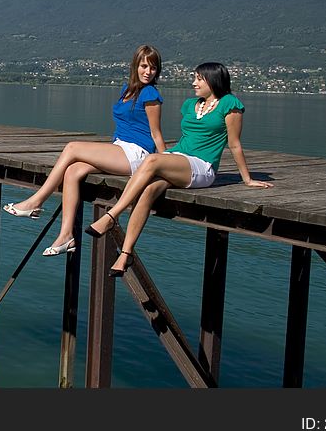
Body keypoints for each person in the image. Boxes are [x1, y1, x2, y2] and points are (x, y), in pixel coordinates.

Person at [84, 62, 273, 276]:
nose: (194, 83)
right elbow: (185, 140)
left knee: (153, 160)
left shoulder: (230, 104)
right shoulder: (190, 104)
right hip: (178, 159)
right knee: (148, 190)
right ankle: (126, 254)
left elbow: (235, 144)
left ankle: (113, 215)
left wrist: (246, 179)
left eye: (199, 79)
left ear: (213, 81)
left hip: (202, 166)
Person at [3, 44, 166, 256]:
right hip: (120, 148)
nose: (148, 72)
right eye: (144, 66)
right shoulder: (127, 90)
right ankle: (66, 236)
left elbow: (156, 134)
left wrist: (165, 165)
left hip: (138, 153)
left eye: (153, 68)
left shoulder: (151, 93)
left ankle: (36, 201)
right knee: (72, 171)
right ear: (135, 66)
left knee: (72, 147)